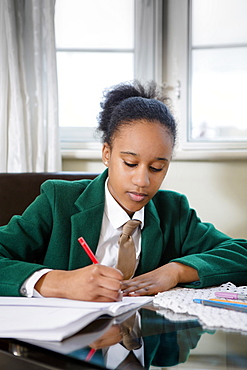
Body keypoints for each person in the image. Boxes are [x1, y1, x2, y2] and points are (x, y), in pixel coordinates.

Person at [0, 81, 246, 302]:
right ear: (107, 154)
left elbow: (240, 253)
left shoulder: (174, 212)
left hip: (143, 342)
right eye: (130, 163)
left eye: (157, 167)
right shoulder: (57, 201)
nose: (142, 180)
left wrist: (176, 270)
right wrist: (58, 282)